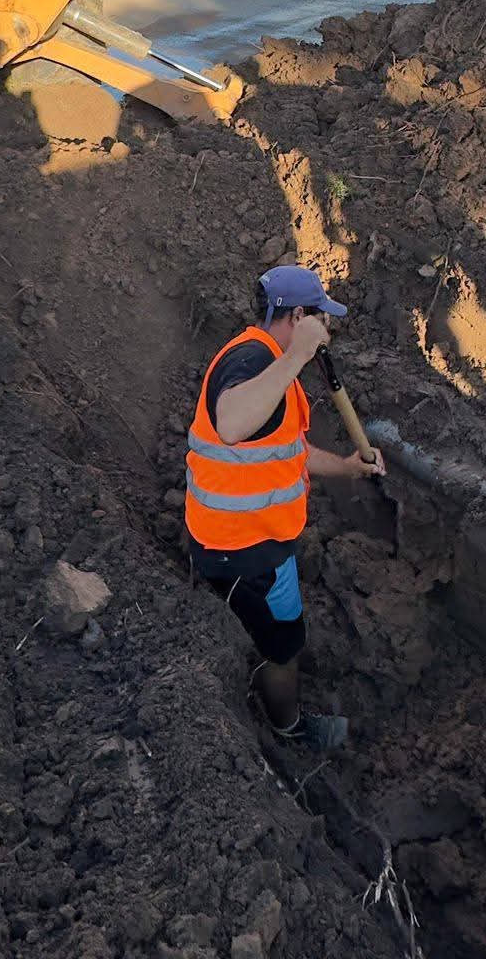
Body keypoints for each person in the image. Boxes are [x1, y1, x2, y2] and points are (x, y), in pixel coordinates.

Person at [185, 264, 385, 751]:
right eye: (321, 318)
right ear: (298, 316)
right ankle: (288, 726)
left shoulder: (267, 362)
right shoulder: (257, 363)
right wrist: (299, 353)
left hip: (239, 538)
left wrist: (347, 466)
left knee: (266, 625)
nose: (328, 328)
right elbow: (231, 424)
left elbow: (285, 451)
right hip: (246, 551)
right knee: (284, 646)